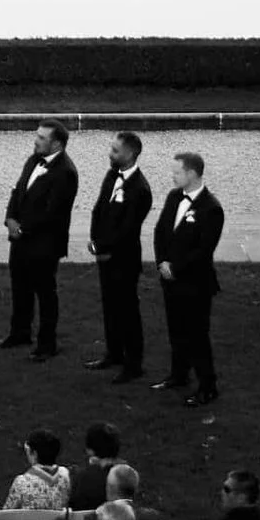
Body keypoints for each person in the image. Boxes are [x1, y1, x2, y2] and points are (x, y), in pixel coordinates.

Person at [0, 123, 77, 357]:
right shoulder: (34, 159)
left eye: (42, 138)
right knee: (19, 288)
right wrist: (10, 218)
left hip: (44, 244)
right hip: (21, 239)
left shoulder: (65, 172)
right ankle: (20, 333)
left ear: (57, 144)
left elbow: (53, 212)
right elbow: (19, 190)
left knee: (45, 294)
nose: (36, 140)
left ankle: (47, 344)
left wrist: (22, 229)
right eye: (37, 136)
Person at [153, 152, 224, 406]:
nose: (172, 176)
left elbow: (204, 250)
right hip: (170, 279)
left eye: (177, 172)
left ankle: (208, 386)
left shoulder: (212, 209)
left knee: (197, 335)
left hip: (195, 283)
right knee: (176, 331)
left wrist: (176, 267)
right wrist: (161, 261)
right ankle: (178, 375)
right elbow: (160, 230)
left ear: (192, 174)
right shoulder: (174, 197)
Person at [86, 130, 152, 381]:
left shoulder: (140, 188)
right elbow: (98, 209)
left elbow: (128, 228)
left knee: (127, 311)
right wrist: (95, 243)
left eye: (115, 150)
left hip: (124, 259)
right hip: (105, 255)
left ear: (131, 154)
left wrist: (104, 248)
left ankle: (133, 364)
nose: (110, 153)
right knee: (110, 307)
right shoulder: (111, 175)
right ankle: (113, 353)